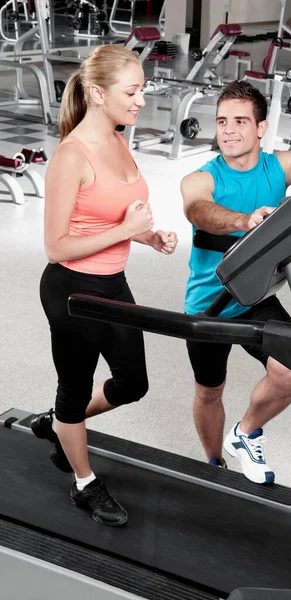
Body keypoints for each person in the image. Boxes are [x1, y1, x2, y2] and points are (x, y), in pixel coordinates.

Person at [31, 45, 178, 526]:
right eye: (132, 92)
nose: (140, 100)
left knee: (132, 383)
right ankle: (84, 483)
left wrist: (150, 236)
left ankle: (58, 424)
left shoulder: (118, 138)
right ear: (97, 93)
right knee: (73, 390)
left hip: (113, 283)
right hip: (72, 290)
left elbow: (115, 214)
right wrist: (126, 230)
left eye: (142, 90)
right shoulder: (70, 155)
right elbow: (56, 246)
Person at [181, 80, 291, 485]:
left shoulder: (280, 165)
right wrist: (242, 222)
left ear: (261, 127)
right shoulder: (202, 177)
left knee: (289, 373)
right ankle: (215, 465)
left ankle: (245, 432)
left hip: (256, 298)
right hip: (208, 304)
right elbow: (198, 210)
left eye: (239, 121)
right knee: (209, 392)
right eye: (221, 122)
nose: (228, 130)